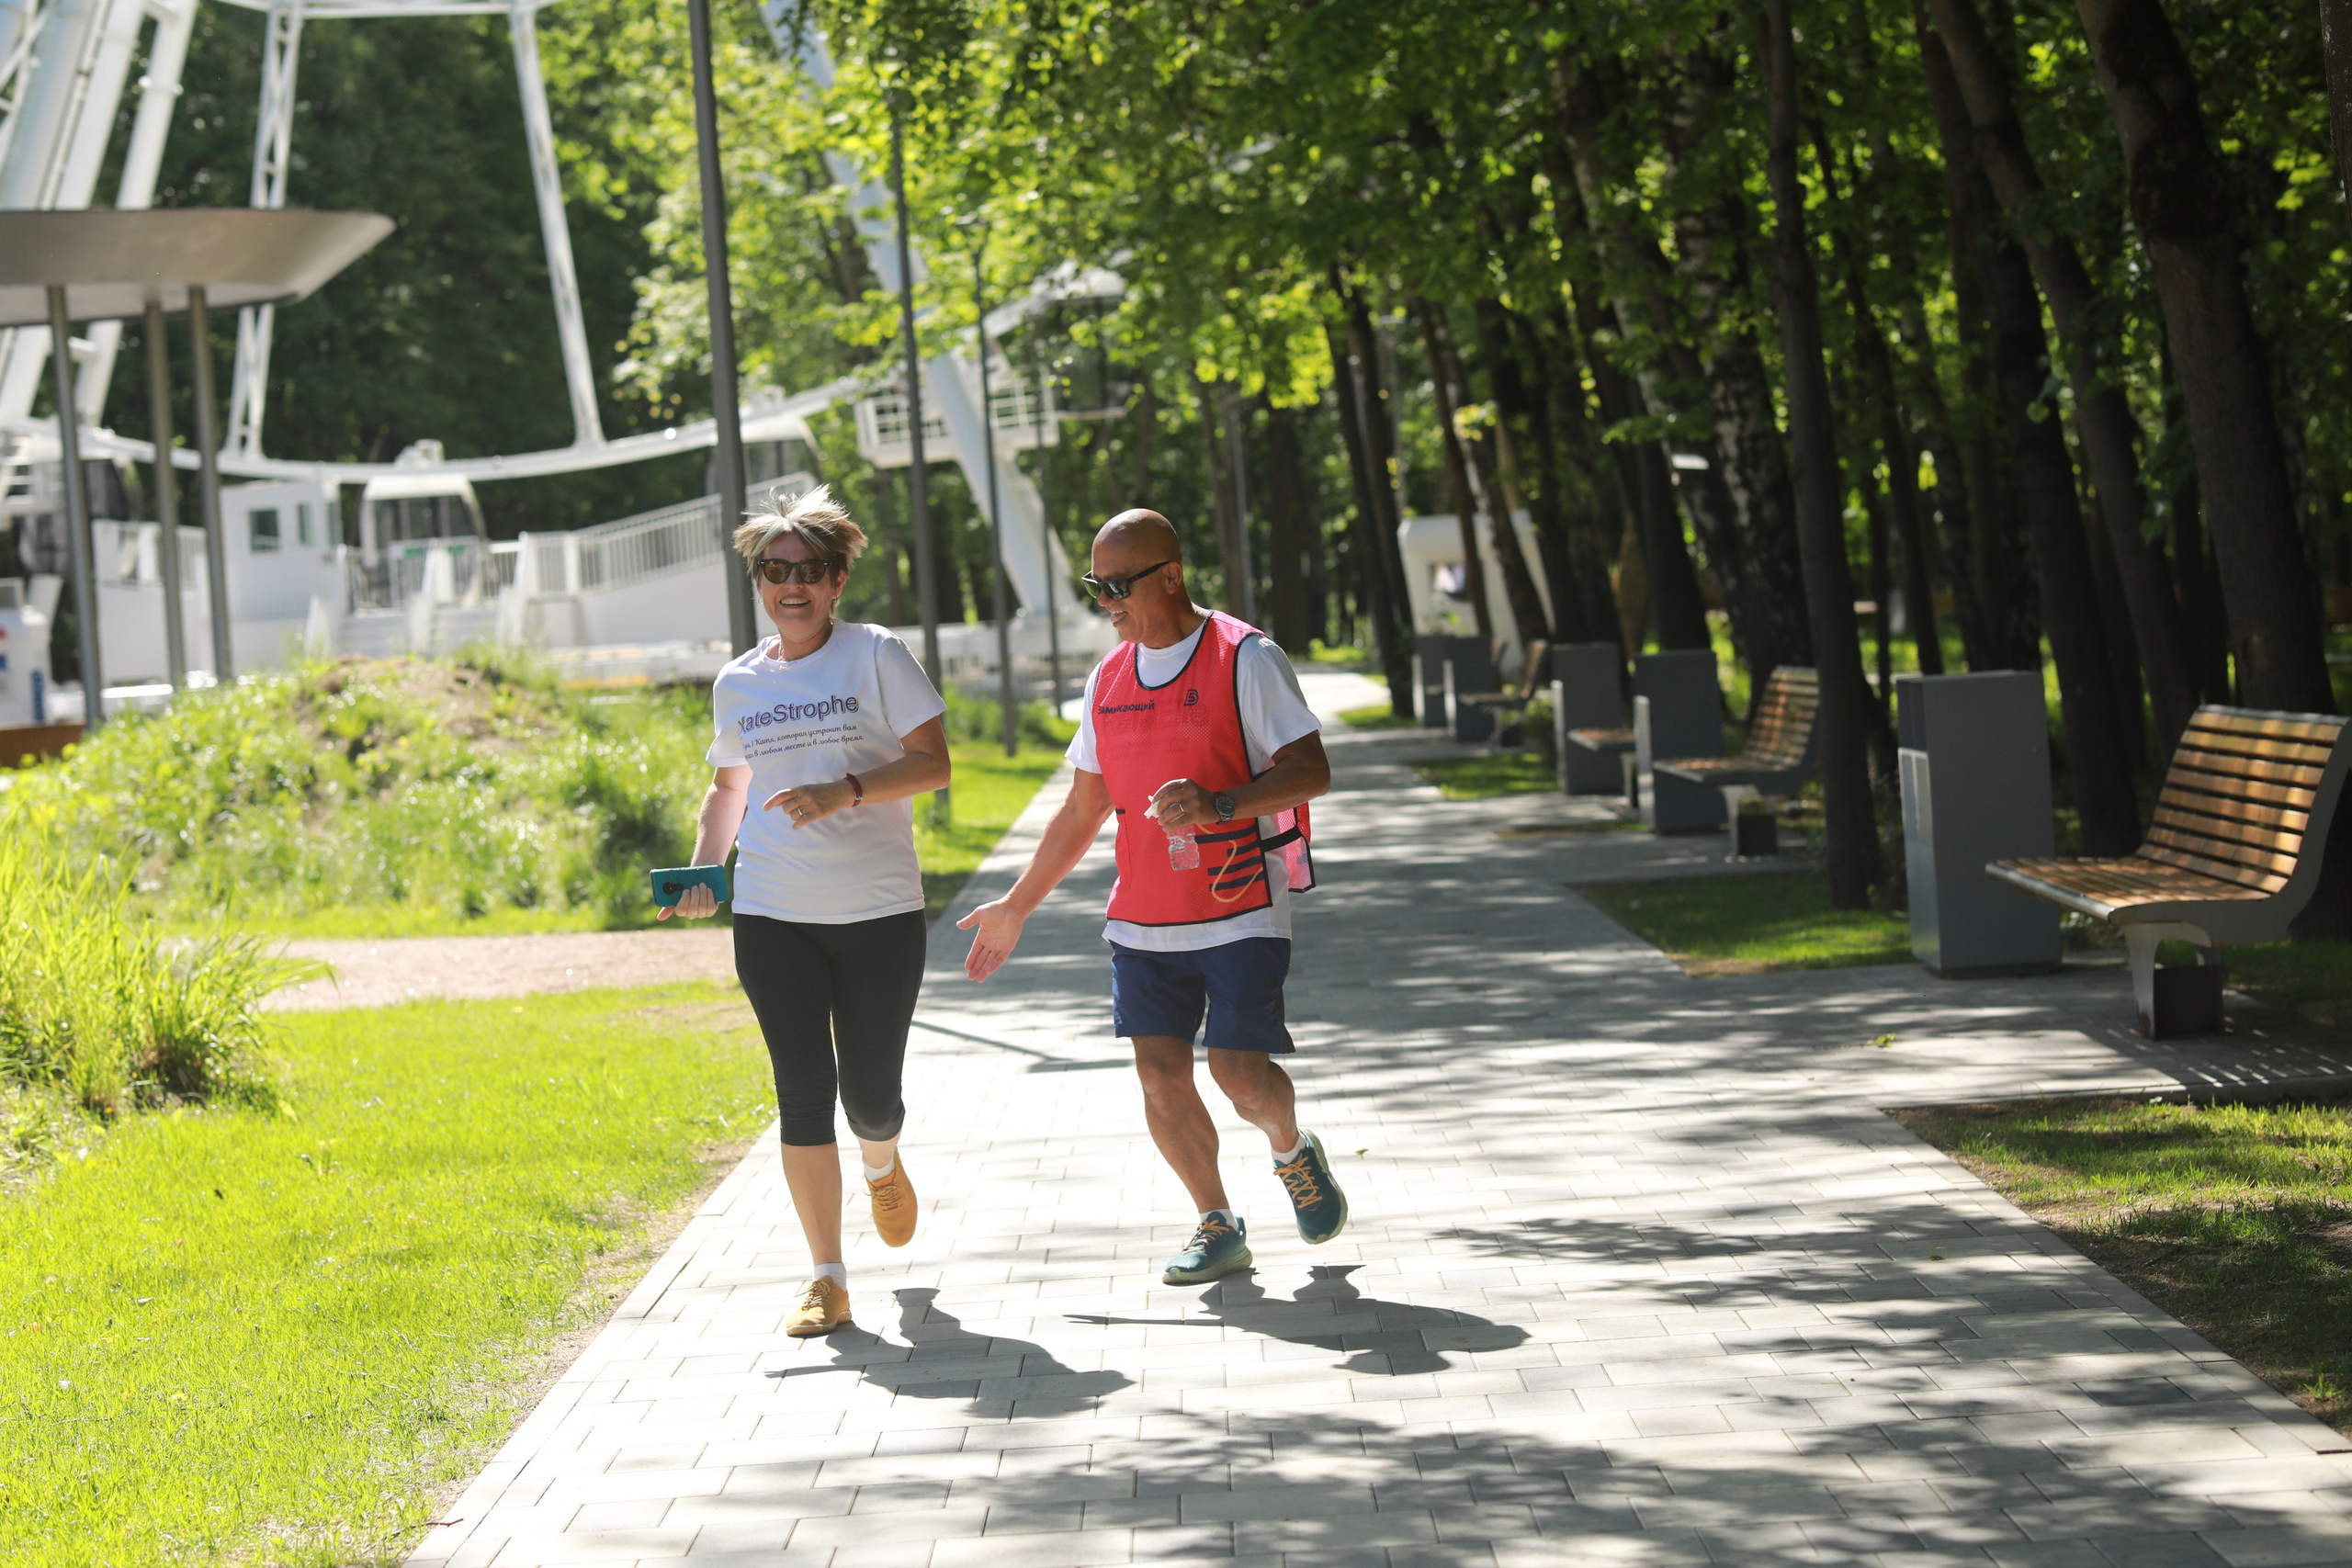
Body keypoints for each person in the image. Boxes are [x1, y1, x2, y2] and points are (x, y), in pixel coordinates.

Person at [958, 508, 1346, 1285]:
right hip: (1142, 917)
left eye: (1118, 584)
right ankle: (1216, 1222)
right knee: (1162, 1076)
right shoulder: (1108, 677)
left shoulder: (1245, 657)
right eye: (1096, 586)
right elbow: (1082, 809)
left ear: (1170, 574)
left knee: (1238, 1073)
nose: (1108, 602)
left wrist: (1221, 804)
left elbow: (1311, 771)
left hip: (1239, 906)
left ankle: (1291, 1149)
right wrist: (1016, 905)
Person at [662, 484, 950, 1337]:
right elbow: (728, 787)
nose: (792, 584)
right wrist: (705, 870)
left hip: (879, 914)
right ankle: (827, 1275)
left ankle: (883, 1157)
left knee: (870, 1096)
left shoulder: (875, 654)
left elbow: (933, 763)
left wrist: (847, 790)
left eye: (810, 570)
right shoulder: (738, 682)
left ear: (836, 582)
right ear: (758, 582)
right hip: (773, 915)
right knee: (801, 1092)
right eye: (775, 570)